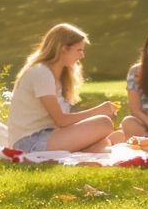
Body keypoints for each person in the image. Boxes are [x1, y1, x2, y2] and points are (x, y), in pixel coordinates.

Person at [6, 23, 118, 153]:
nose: (82, 56)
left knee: (105, 138)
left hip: (49, 134)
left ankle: (91, 148)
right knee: (103, 123)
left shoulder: (59, 76)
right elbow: (61, 120)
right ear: (64, 49)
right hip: (29, 142)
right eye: (79, 50)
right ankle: (90, 148)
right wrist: (99, 110)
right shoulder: (41, 72)